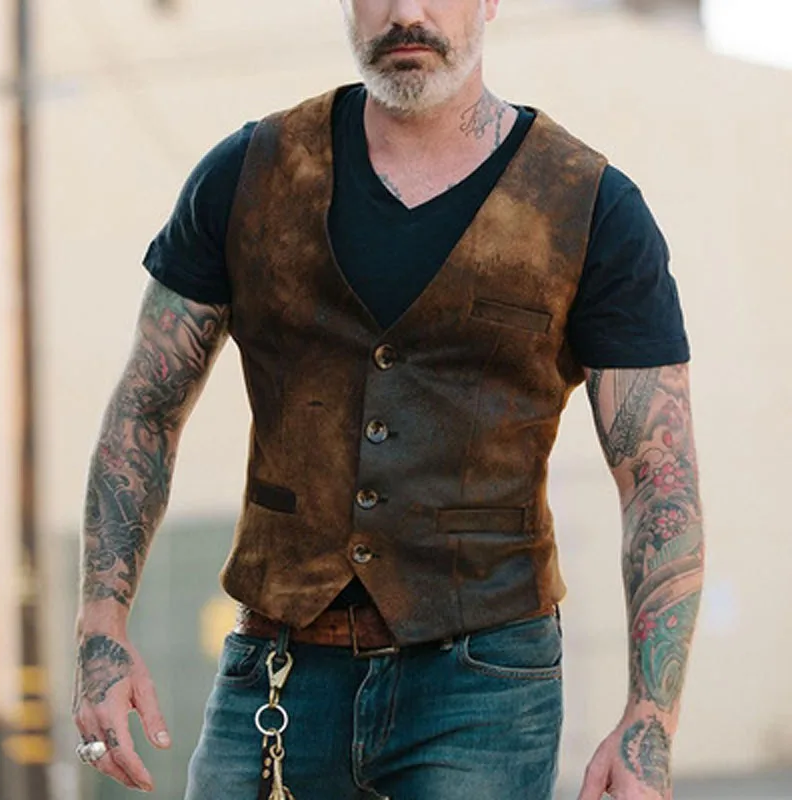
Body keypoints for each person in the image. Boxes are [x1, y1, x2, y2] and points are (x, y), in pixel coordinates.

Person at [71, 1, 705, 798]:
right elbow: (146, 409)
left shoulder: (590, 206)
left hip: (483, 690)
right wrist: (101, 627)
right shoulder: (249, 174)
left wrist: (650, 718)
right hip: (276, 667)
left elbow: (658, 476)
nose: (406, 12)